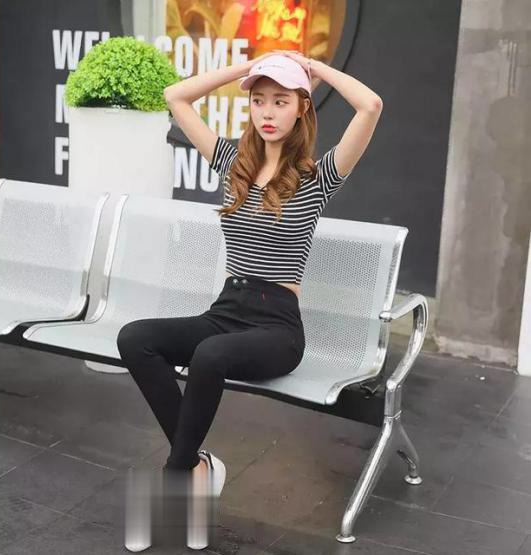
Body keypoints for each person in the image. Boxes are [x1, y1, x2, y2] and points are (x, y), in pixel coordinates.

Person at [117, 49, 382, 550]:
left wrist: (313, 69)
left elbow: (370, 106)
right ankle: (197, 465)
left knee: (209, 355)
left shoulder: (317, 178)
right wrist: (248, 68)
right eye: (259, 100)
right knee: (135, 338)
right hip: (226, 309)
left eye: (280, 101)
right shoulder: (232, 163)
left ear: (301, 108)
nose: (267, 112)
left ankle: (175, 481)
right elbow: (176, 96)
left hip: (277, 328)